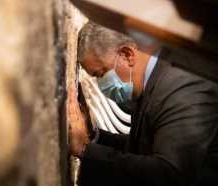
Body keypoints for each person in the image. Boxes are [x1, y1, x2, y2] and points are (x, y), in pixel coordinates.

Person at [67, 22, 218, 186]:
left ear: (127, 54)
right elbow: (146, 144)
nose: (101, 83)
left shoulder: (182, 89)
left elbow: (169, 174)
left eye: (101, 73)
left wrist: (85, 150)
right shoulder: (153, 78)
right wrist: (95, 136)